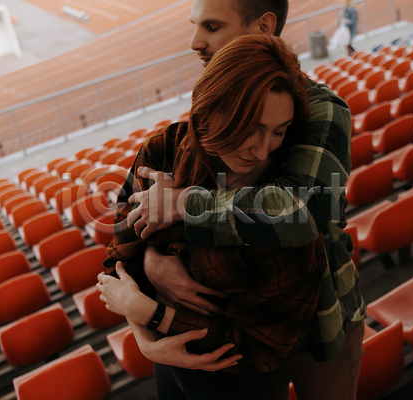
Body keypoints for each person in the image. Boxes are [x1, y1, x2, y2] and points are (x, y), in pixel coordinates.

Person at [102, 0, 365, 399]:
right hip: (235, 337)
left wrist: (181, 205)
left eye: (211, 26)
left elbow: (303, 211)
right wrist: (152, 262)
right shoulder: (182, 138)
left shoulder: (320, 109)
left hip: (320, 320)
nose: (195, 42)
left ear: (263, 27)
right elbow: (121, 251)